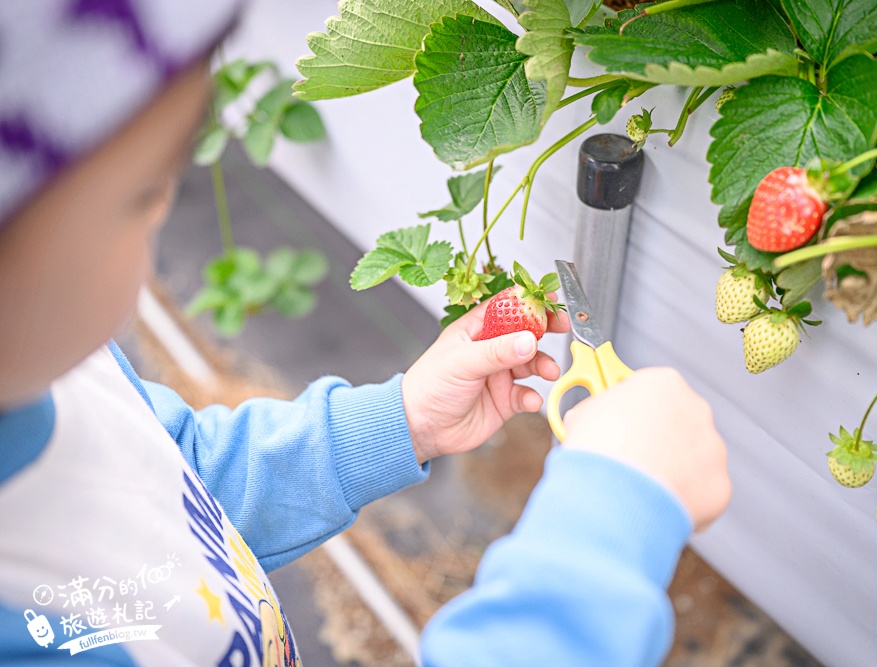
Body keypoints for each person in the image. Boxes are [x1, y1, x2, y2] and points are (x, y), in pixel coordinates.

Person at [0, 1, 731, 665]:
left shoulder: (62, 378)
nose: (163, 210)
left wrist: (399, 420)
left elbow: (184, 485)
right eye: (141, 194)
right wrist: (608, 525)